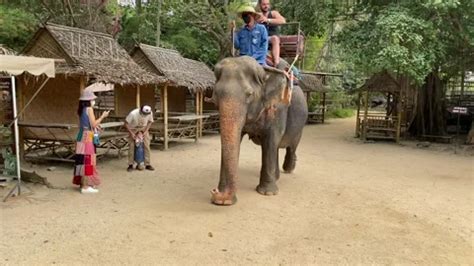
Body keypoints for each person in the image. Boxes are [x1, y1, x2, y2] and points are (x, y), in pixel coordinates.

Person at [73, 87, 109, 194]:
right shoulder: (89, 109)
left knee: (81, 160)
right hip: (88, 137)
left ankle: (82, 183)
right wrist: (102, 116)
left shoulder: (81, 110)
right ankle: (85, 186)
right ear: (89, 100)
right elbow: (93, 124)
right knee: (88, 160)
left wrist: (94, 127)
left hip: (81, 135)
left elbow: (85, 124)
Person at [256, 0, 286, 67]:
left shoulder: (273, 13)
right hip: (260, 40)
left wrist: (268, 20)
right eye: (264, 4)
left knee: (274, 38)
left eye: (267, 4)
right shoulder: (258, 15)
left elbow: (283, 21)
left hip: (271, 39)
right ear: (260, 5)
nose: (266, 6)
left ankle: (276, 63)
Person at [124, 105, 155, 172]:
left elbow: (150, 122)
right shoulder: (133, 114)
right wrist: (132, 133)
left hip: (144, 128)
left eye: (146, 114)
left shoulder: (150, 112)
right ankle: (130, 164)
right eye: (144, 114)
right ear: (140, 111)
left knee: (146, 145)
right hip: (133, 128)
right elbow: (126, 123)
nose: (145, 115)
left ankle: (147, 164)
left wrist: (146, 131)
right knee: (131, 146)